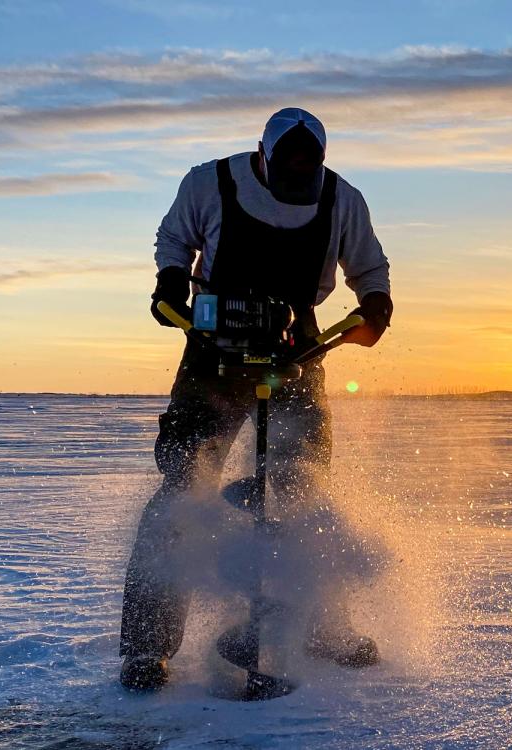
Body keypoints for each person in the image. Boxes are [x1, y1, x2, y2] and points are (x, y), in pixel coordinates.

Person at [119, 107, 393, 691]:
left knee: (304, 489)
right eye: (286, 170)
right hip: (213, 353)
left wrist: (375, 302)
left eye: (308, 172)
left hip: (296, 354)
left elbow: (369, 265)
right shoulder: (209, 183)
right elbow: (174, 237)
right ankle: (147, 650)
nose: (297, 181)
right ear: (262, 156)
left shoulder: (343, 200)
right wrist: (173, 279)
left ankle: (323, 626)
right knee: (182, 489)